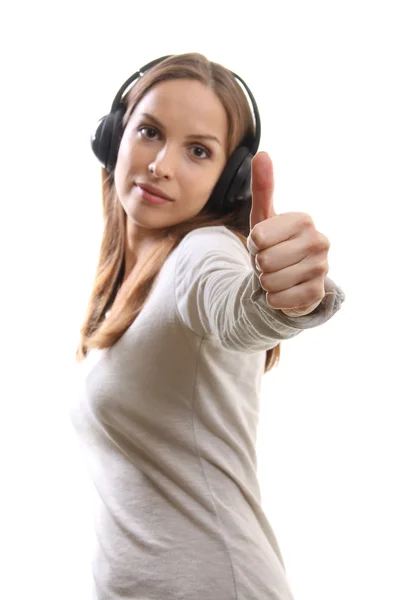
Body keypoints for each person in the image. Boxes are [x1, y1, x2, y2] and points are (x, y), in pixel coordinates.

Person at [71, 53, 345, 600]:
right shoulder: (126, 281)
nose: (161, 165)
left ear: (230, 179)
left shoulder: (204, 252)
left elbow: (237, 311)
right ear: (114, 136)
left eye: (199, 150)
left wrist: (280, 297)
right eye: (149, 132)